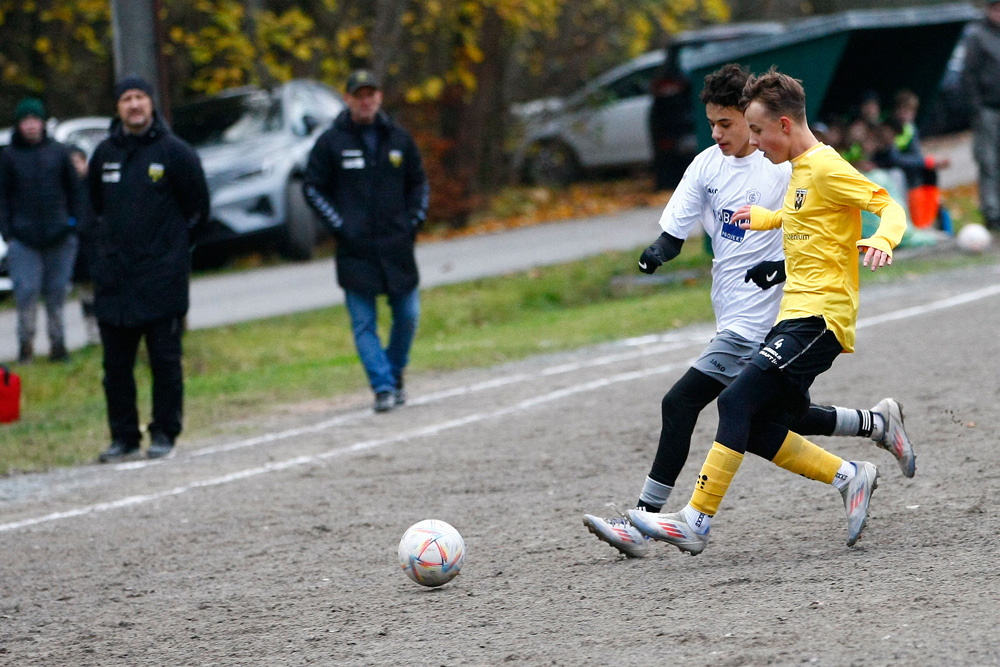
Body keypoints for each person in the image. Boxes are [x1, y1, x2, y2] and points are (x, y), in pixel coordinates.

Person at [582, 65, 915, 559]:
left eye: (748, 128)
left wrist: (882, 240)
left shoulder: (808, 164)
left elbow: (886, 204)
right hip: (784, 315)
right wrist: (763, 225)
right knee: (767, 422)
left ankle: (685, 520)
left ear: (774, 123)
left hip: (810, 318)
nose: (745, 140)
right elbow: (803, 218)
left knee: (716, 405)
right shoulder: (794, 169)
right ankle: (857, 461)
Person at [87, 76, 210, 462]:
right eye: (127, 98)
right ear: (118, 107)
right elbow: (91, 210)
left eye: (140, 97)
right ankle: (123, 437)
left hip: (161, 279)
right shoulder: (104, 154)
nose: (134, 105)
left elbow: (199, 210)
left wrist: (173, 252)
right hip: (115, 282)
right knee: (116, 368)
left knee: (164, 362)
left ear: (152, 104)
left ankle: (164, 433)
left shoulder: (175, 152)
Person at [303, 69, 429, 413]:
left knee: (408, 314)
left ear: (380, 97)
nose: (366, 100)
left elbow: (419, 183)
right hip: (355, 249)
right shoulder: (331, 143)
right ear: (347, 99)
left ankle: (394, 369)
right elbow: (312, 187)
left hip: (396, 246)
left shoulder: (399, 140)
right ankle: (383, 386)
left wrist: (413, 220)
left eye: (371, 93)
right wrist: (340, 226)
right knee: (363, 323)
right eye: (359, 94)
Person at [0, 97, 82, 363]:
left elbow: (75, 193)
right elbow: (2, 198)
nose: (31, 125)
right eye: (26, 120)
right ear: (19, 124)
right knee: (26, 293)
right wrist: (8, 234)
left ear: (43, 123)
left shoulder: (59, 152)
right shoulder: (9, 157)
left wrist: (73, 226)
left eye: (35, 119)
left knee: (57, 294)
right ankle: (26, 347)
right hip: (23, 239)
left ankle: (59, 346)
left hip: (59, 235)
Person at [963, 0, 1000, 231]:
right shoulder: (977, 36)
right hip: (987, 108)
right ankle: (992, 211)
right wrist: (975, 107)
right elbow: (969, 75)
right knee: (988, 162)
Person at [67, 144, 100, 345]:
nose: (76, 167)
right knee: (86, 293)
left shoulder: (96, 186)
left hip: (98, 246)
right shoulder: (67, 190)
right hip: (79, 250)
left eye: (79, 162)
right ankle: (92, 332)